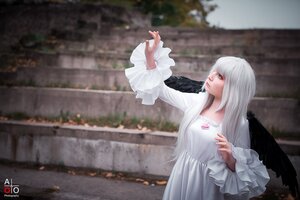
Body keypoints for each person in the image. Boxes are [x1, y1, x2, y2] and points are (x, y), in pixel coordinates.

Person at [125, 31, 270, 200]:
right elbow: (162, 91)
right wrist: (150, 57)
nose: (211, 76)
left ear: (234, 88)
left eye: (220, 76)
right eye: (214, 72)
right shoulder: (197, 102)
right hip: (183, 173)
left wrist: (231, 158)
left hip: (209, 185)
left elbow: (242, 176)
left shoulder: (239, 123)